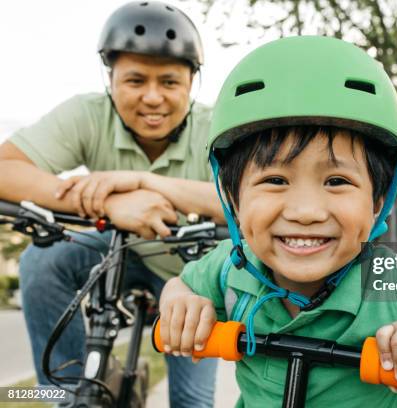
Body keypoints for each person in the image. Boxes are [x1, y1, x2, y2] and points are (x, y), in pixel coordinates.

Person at [158, 36, 397, 407]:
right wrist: (182, 303)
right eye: (275, 181)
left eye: (336, 181)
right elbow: (181, 286)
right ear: (233, 199)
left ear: (378, 201)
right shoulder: (232, 269)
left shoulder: (396, 280)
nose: (306, 212)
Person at [0, 2, 222, 407]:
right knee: (40, 262)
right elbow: (5, 169)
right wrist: (113, 206)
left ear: (192, 83)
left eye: (169, 83)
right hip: (115, 248)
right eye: (135, 80)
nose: (152, 98)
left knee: (193, 401)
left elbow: (247, 202)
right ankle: (65, 395)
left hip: (191, 272)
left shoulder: (217, 126)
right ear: (110, 78)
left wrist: (147, 182)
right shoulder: (88, 113)